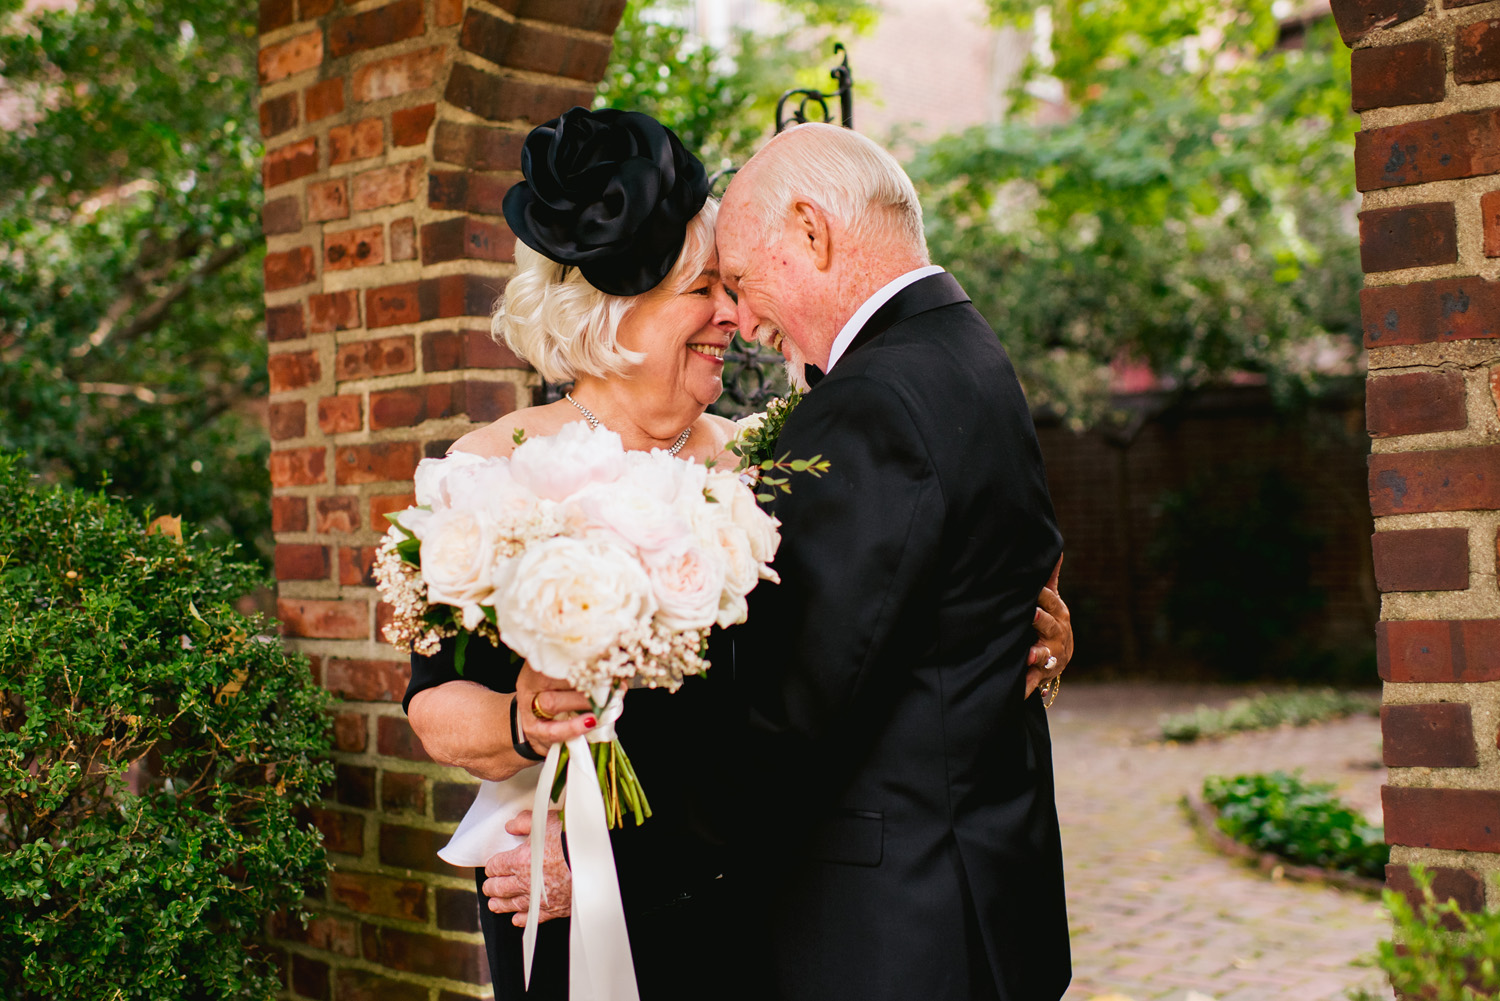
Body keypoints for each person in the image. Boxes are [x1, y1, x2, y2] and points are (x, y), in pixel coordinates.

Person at [400, 108, 1073, 1000]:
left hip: (744, 883)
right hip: (565, 879)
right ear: (614, 314)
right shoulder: (491, 470)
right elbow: (431, 706)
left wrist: (1014, 639)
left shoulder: (763, 454)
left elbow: (844, 646)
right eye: (705, 288)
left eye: (736, 283)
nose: (736, 315)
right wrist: (529, 724)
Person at [712, 122, 1073, 1001]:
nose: (743, 319)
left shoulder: (872, 398)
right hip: (977, 881)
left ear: (811, 231)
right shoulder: (967, 349)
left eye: (741, 280)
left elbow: (795, 698)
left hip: (894, 926)